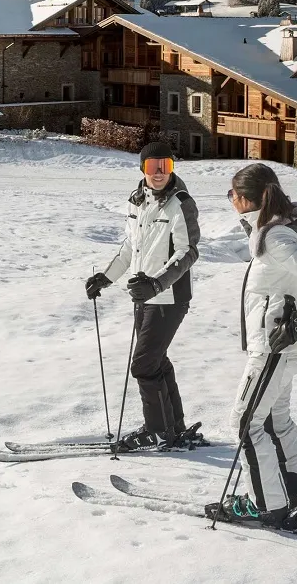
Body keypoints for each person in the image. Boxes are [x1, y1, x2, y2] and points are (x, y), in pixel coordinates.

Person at [217, 163, 297, 528]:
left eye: (232, 194)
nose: (230, 200)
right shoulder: (278, 228)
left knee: (245, 422)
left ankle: (265, 504)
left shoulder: (275, 238)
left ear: (244, 199)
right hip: (282, 349)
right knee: (273, 419)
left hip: (274, 349)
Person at [85, 141, 201, 450]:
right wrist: (106, 277)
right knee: (156, 360)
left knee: (144, 364)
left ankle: (157, 430)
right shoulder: (137, 201)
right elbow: (130, 247)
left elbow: (188, 252)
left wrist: (157, 284)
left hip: (170, 298)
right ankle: (173, 426)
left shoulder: (180, 203)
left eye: (166, 166)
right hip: (144, 297)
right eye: (153, 166)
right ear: (142, 168)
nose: (159, 173)